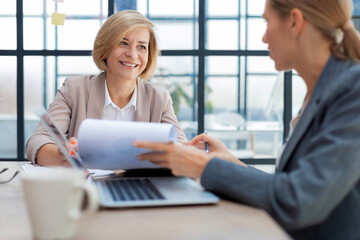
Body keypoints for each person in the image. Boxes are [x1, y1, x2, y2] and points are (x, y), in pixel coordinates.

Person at [133, 0, 360, 239]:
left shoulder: (352, 90)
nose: (263, 38)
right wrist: (233, 165)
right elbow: (290, 184)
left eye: (267, 21)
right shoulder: (321, 90)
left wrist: (201, 165)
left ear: (294, 22)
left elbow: (299, 200)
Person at [26, 10, 187, 166]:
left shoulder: (159, 98)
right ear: (106, 47)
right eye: (123, 43)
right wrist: (63, 156)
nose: (132, 54)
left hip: (139, 189)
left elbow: (183, 150)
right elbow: (38, 141)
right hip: (87, 188)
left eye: (141, 47)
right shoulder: (75, 89)